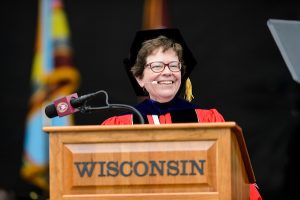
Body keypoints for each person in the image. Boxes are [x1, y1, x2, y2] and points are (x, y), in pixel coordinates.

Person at [101, 28, 262, 200]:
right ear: (139, 77)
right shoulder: (118, 126)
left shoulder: (208, 121)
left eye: (173, 65)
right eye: (156, 66)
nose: (167, 71)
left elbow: (236, 178)